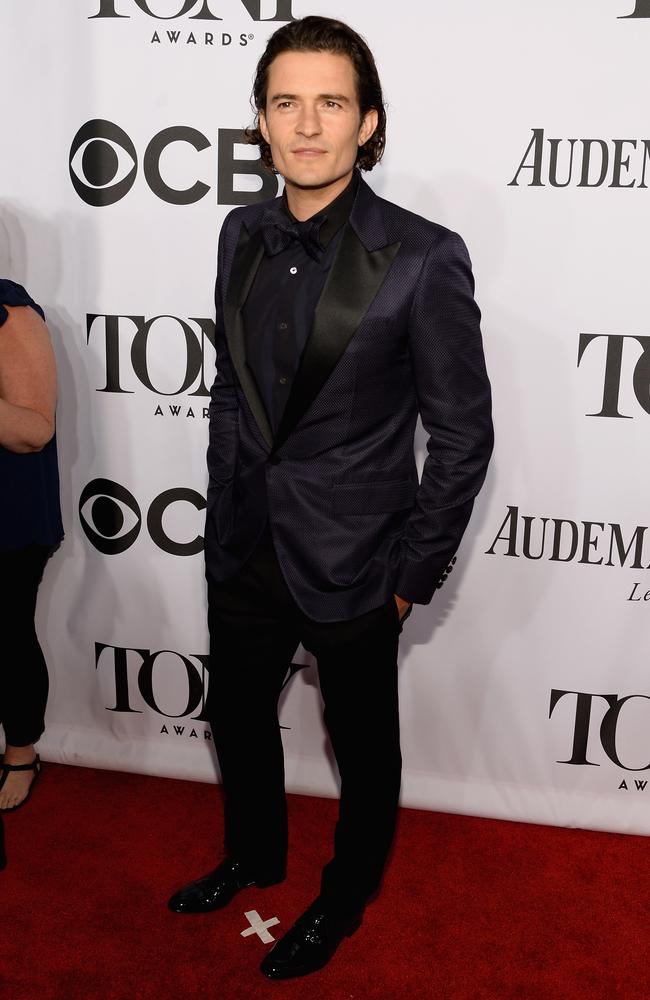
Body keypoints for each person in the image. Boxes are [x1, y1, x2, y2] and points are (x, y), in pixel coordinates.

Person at [168, 16, 493, 979]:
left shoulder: (425, 257)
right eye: (285, 102)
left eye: (331, 103)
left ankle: (345, 896)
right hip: (242, 541)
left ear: (368, 122)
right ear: (261, 124)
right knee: (234, 713)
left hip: (360, 562)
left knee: (365, 748)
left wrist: (408, 576)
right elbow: (235, 384)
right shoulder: (239, 232)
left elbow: (464, 437)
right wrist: (227, 495)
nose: (307, 124)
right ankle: (254, 854)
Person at [0, 279, 63, 812]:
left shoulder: (9, 311)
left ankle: (21, 751)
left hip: (8, 516)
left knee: (6, 637)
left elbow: (34, 430)